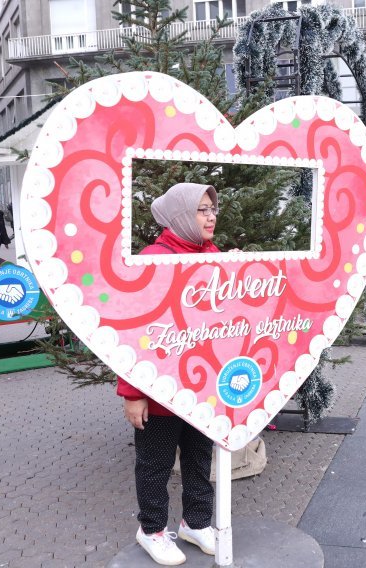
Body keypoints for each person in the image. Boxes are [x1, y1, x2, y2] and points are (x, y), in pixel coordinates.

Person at [117, 182, 221, 566]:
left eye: (213, 209)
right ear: (180, 215)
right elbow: (132, 330)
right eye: (201, 209)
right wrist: (132, 392)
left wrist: (241, 274)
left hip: (203, 388)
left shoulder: (214, 256)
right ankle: (152, 531)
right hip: (160, 390)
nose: (211, 216)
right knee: (155, 465)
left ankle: (196, 523)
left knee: (198, 459)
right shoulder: (153, 258)